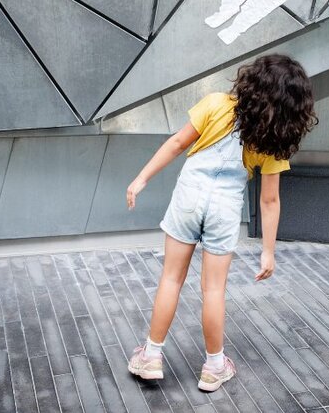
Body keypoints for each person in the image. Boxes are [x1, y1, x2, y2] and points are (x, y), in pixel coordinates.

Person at [125, 54, 318, 392]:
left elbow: (176, 143)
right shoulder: (273, 143)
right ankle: (214, 366)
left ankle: (151, 357)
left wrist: (141, 178)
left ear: (252, 82)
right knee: (213, 290)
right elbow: (269, 200)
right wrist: (267, 252)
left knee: (171, 279)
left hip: (189, 196)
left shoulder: (216, 104)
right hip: (225, 209)